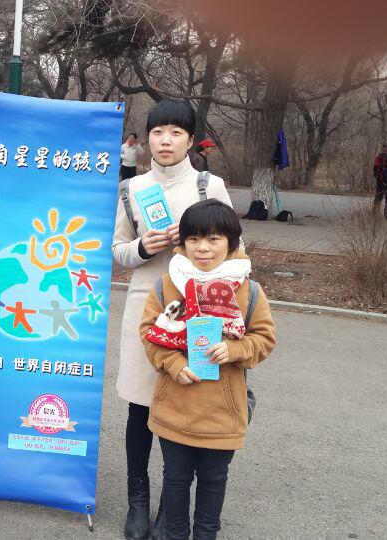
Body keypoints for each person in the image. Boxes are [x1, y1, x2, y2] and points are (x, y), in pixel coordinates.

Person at [112, 100, 237, 540]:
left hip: (198, 308)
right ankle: (138, 502)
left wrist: (194, 251)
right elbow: (117, 249)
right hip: (146, 303)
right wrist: (143, 247)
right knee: (140, 404)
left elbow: (234, 247)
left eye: (176, 133)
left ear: (190, 139)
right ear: (146, 138)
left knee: (182, 402)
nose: (165, 141)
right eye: (157, 132)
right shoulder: (131, 188)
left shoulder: (209, 186)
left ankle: (171, 503)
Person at [140, 199, 276, 540]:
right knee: (175, 479)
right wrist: (173, 363)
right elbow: (149, 334)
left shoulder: (249, 290)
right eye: (194, 239)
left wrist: (235, 350)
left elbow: (264, 339)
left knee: (214, 480)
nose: (202, 247)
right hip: (176, 407)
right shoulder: (167, 284)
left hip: (222, 412)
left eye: (213, 239)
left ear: (231, 242)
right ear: (183, 242)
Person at [372, 143, 387, 215]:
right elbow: (375, 170)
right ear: (383, 148)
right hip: (380, 182)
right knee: (378, 198)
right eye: (386, 148)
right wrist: (378, 179)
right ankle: (375, 214)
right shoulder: (379, 157)